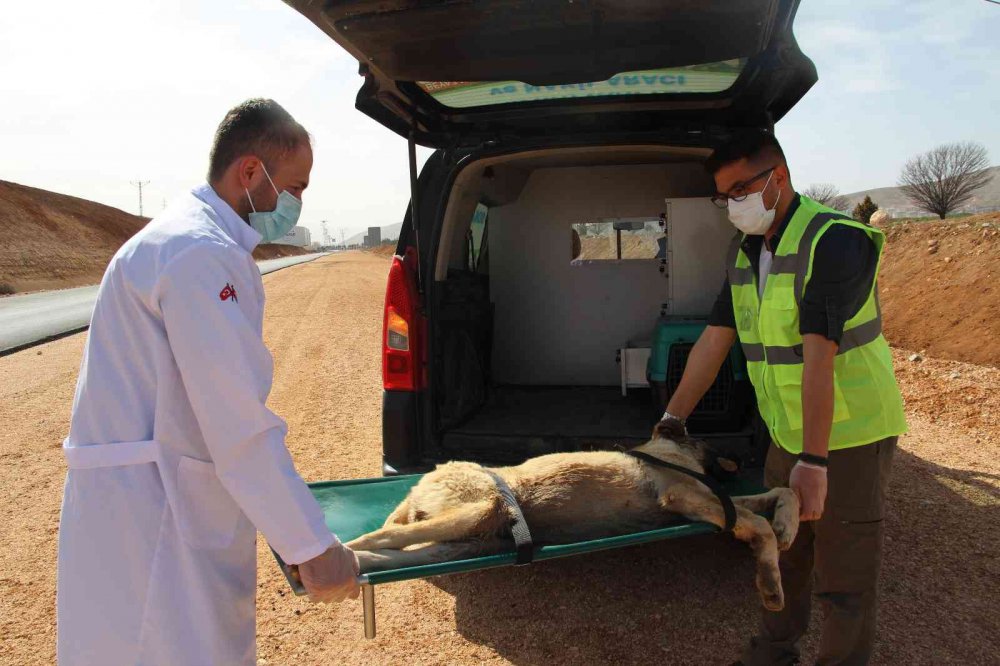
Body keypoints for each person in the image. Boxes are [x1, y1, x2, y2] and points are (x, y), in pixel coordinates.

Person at [57, 99, 359, 665]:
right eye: (294, 187)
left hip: (147, 503)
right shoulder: (198, 253)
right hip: (152, 516)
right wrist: (312, 546)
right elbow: (236, 422)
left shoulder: (189, 242)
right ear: (250, 172)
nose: (297, 204)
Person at [661, 130, 907, 665]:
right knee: (779, 552)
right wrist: (671, 421)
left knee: (843, 576)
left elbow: (820, 355)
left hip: (851, 437)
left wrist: (814, 462)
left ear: (779, 178)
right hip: (788, 434)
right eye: (723, 196)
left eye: (739, 190)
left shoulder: (837, 241)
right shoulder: (747, 252)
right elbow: (715, 337)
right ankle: (772, 654)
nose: (731, 205)